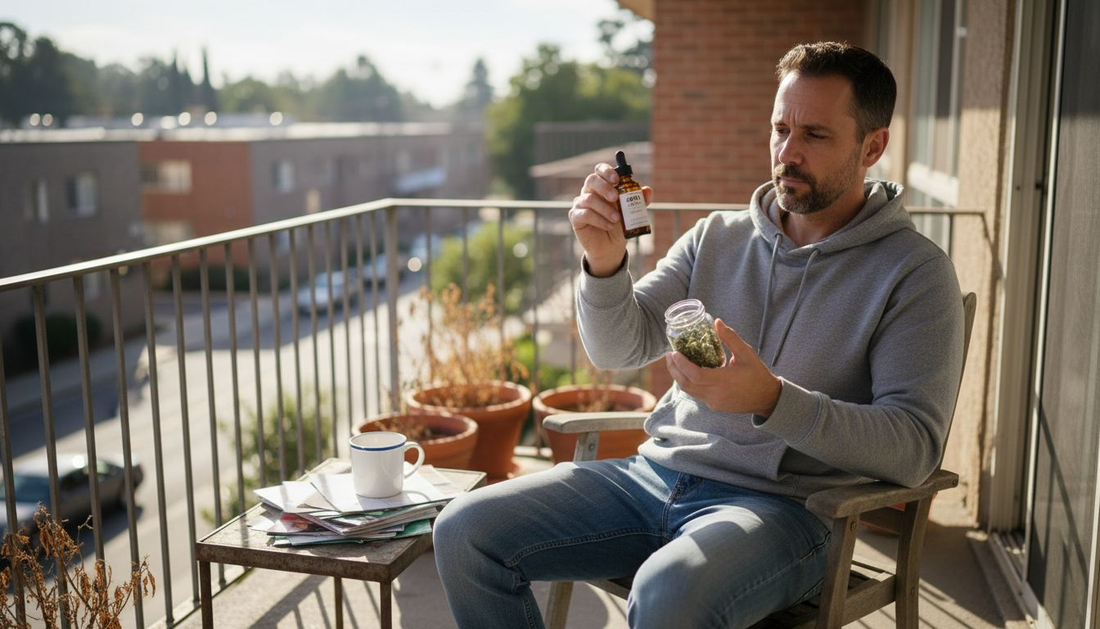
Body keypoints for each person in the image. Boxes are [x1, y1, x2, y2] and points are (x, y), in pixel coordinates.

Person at [433, 41, 965, 629]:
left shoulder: (914, 274)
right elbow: (621, 346)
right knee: (464, 531)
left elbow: (915, 447)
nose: (787, 151)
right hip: (649, 478)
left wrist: (772, 400)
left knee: (669, 595)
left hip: (783, 511)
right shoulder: (717, 238)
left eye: (814, 135)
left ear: (873, 146)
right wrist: (606, 266)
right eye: (780, 128)